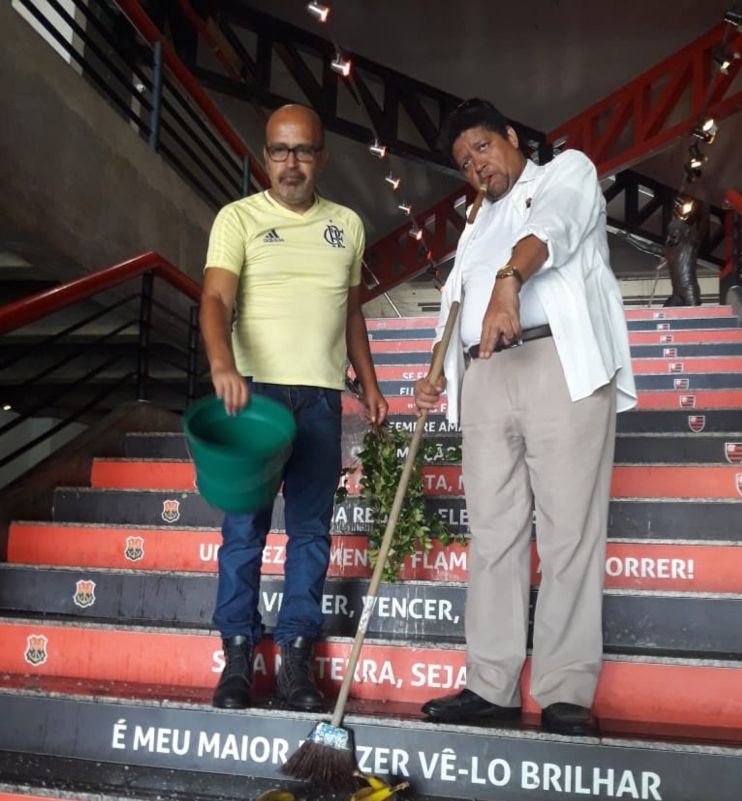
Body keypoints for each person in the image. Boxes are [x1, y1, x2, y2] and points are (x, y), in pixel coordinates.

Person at [414, 99, 637, 736]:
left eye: (482, 148)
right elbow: (455, 304)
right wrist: (435, 370)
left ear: (511, 137)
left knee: (569, 531)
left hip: (555, 362)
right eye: (464, 162)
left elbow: (559, 229)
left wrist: (510, 282)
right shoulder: (475, 221)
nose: (476, 167)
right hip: (483, 375)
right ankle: (491, 684)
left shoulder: (564, 173)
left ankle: (565, 690)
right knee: (494, 532)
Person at [200, 104, 387, 712]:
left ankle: (296, 662)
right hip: (253, 396)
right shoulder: (239, 218)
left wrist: (370, 380)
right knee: (243, 531)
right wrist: (223, 365)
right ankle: (236, 659)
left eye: (303, 151)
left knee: (311, 533)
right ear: (265, 154)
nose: (291, 163)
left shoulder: (348, 225)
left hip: (321, 401)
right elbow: (215, 299)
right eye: (279, 151)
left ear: (322, 157)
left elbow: (349, 309)